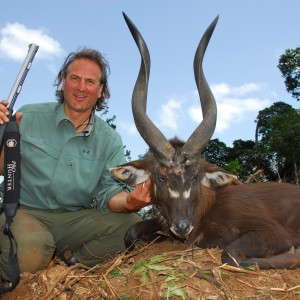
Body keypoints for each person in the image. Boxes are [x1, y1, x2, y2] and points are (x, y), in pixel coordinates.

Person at [0, 48, 151, 282]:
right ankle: (34, 259)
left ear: (100, 90)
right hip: (24, 212)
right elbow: (2, 168)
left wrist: (130, 202)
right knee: (29, 253)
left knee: (134, 228)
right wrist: (2, 135)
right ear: (63, 82)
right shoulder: (28, 115)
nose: (81, 87)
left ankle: (70, 264)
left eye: (90, 81)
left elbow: (109, 193)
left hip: (74, 220)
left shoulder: (110, 140)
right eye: (75, 78)